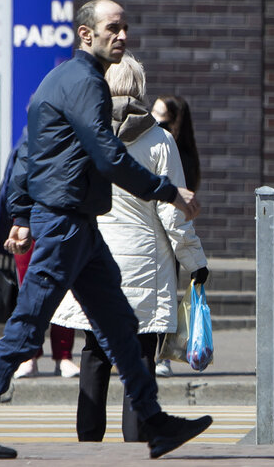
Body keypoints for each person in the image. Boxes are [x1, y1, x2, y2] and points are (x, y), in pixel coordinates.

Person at [0, 0, 211, 460]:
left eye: (125, 27)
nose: (122, 36)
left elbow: (27, 154)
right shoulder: (87, 83)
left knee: (121, 326)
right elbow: (108, 156)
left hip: (79, 226)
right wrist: (169, 192)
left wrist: (22, 215)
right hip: (66, 226)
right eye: (112, 28)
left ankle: (154, 421)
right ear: (86, 34)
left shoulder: (58, 81)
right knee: (27, 327)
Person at [51, 53, 209, 442]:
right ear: (139, 89)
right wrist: (195, 262)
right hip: (143, 264)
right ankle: (137, 446)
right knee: (139, 354)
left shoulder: (83, 132)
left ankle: (88, 442)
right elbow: (175, 214)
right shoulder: (159, 140)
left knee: (95, 352)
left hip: (93, 256)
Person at [0, 127, 80, 380]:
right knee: (29, 295)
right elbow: (13, 187)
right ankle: (29, 356)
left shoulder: (69, 140)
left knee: (64, 292)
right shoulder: (27, 145)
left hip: (60, 224)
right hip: (29, 226)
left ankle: (63, 356)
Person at [150, 94, 202, 377]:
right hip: (150, 231)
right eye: (153, 115)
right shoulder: (153, 143)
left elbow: (181, 206)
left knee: (166, 294)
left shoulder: (180, 154)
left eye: (163, 118)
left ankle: (163, 355)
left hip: (169, 233)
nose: (155, 122)